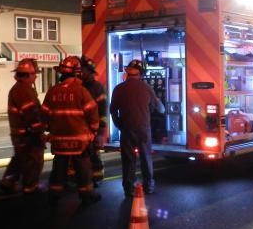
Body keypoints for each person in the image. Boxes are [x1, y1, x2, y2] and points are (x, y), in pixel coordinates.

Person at [41, 55, 101, 205]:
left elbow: (44, 115)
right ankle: (87, 196)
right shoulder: (81, 91)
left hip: (59, 140)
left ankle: (54, 194)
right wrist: (93, 131)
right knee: (83, 169)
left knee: (59, 168)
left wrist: (49, 130)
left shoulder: (52, 92)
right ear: (77, 73)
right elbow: (93, 113)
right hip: (79, 141)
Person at [109, 59, 165, 197]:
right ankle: (149, 186)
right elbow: (161, 109)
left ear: (128, 73)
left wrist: (119, 125)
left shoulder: (118, 88)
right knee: (146, 157)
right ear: (141, 73)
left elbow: (112, 110)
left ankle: (128, 188)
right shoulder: (147, 88)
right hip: (143, 129)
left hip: (126, 129)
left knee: (128, 160)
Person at [0, 58, 46, 194]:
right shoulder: (24, 90)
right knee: (34, 160)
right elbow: (31, 113)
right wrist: (40, 131)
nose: (36, 76)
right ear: (28, 75)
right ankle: (31, 188)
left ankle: (8, 181)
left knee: (20, 159)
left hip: (20, 134)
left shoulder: (18, 89)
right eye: (34, 74)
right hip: (28, 135)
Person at [79, 55, 108, 186]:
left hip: (93, 129)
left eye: (84, 70)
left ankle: (96, 178)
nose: (81, 72)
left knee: (94, 155)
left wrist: (101, 133)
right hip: (79, 129)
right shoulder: (77, 86)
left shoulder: (97, 88)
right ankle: (82, 180)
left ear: (90, 72)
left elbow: (102, 111)